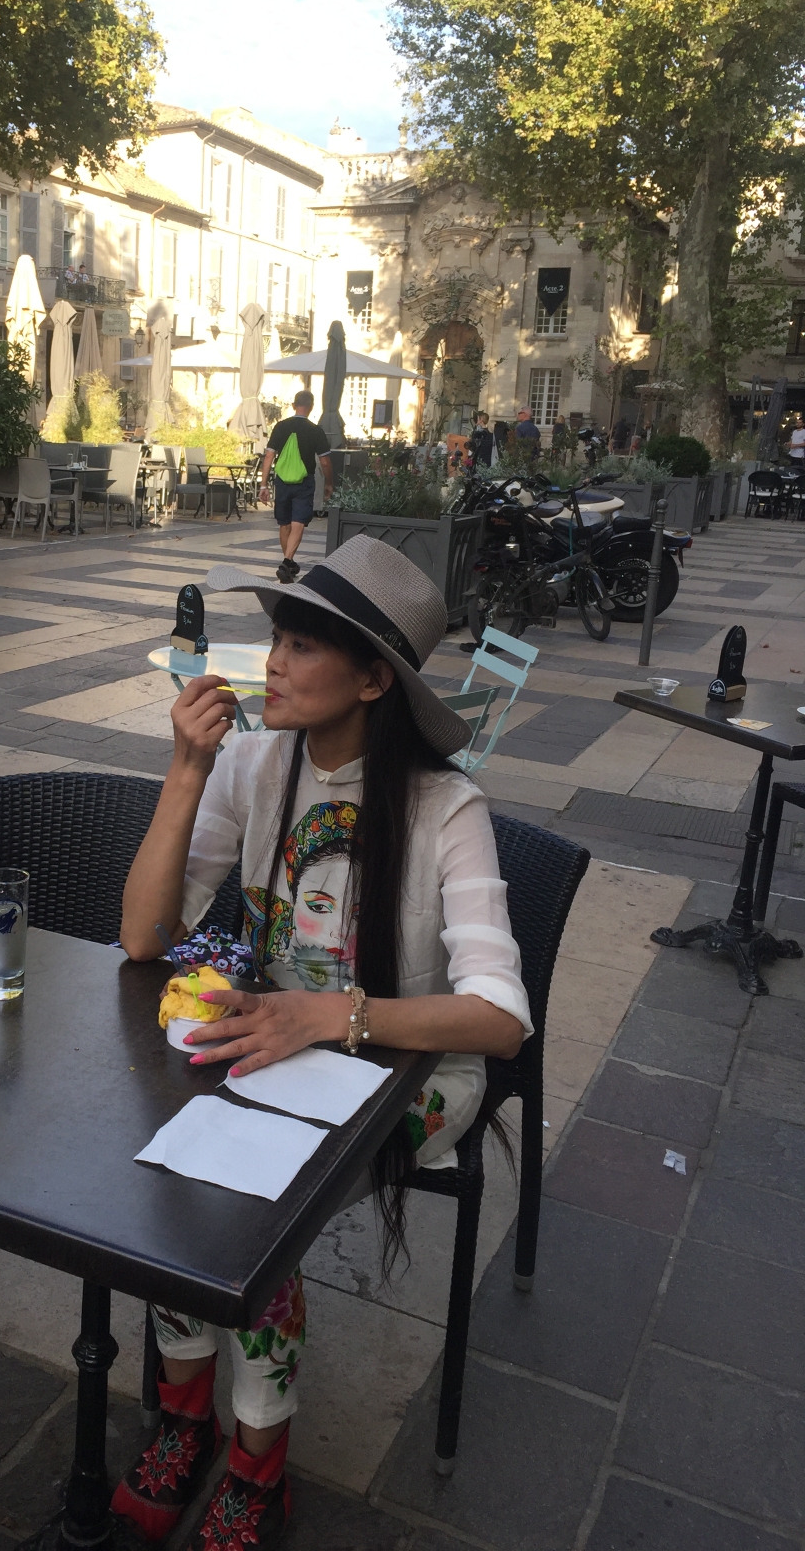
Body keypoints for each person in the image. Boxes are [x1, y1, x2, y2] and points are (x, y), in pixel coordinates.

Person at [115, 537, 529, 1549]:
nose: (274, 665)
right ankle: (184, 1416)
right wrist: (187, 768)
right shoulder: (255, 765)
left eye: (303, 647)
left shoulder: (446, 809)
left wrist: (334, 1016)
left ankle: (257, 1468)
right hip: (278, 1044)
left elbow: (498, 1017)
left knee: (258, 1216)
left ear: (373, 679)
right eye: (277, 641)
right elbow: (143, 937)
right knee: (173, 1176)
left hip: (413, 1067)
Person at [258, 390, 333, 584]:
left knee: (284, 523)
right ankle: (287, 562)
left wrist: (263, 485)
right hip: (304, 482)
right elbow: (325, 462)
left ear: (293, 405)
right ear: (311, 407)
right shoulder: (315, 431)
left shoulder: (280, 427)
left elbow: (269, 456)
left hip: (282, 481)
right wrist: (329, 483)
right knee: (298, 522)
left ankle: (288, 564)